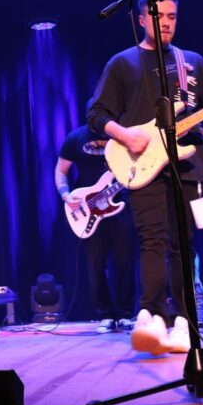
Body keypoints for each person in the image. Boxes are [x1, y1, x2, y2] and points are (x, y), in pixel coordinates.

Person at [87, 0, 203, 355]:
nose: (166, 23)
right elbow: (96, 114)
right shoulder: (122, 63)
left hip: (189, 166)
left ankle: (183, 322)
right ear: (141, 19)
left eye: (172, 17)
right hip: (143, 165)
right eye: (158, 16)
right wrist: (124, 135)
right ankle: (151, 316)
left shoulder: (191, 62)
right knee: (152, 240)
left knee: (183, 244)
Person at [55, 124, 136, 333]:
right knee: (95, 264)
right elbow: (61, 170)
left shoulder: (120, 134)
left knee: (125, 260)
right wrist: (65, 195)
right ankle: (105, 315)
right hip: (87, 207)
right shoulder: (75, 138)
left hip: (119, 200)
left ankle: (125, 314)